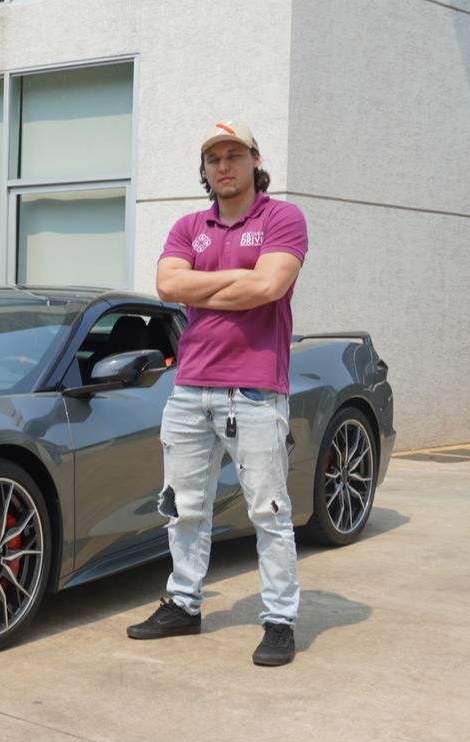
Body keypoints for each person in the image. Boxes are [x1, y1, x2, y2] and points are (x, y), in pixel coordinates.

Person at [125, 120, 308, 667]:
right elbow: (168, 286)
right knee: (183, 509)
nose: (223, 167)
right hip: (189, 389)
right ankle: (184, 604)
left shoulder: (282, 218)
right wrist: (241, 281)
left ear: (255, 160)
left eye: (233, 156)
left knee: (268, 511)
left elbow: (269, 285)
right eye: (213, 159)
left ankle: (279, 619)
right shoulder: (189, 226)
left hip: (254, 390)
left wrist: (207, 287)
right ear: (204, 169)